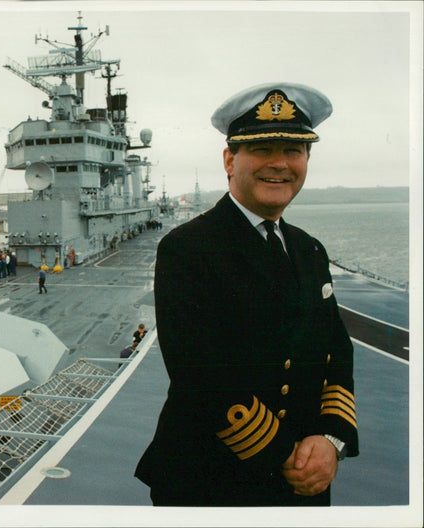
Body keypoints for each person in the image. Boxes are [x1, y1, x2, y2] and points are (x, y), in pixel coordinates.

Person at [135, 83, 358, 506]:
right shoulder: (188, 248)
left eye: (294, 151)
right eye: (262, 150)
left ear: (307, 160)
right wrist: (286, 455)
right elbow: (198, 373)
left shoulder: (310, 249)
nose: (280, 164)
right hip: (211, 481)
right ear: (229, 160)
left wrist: (331, 439)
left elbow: (337, 353)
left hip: (306, 480)